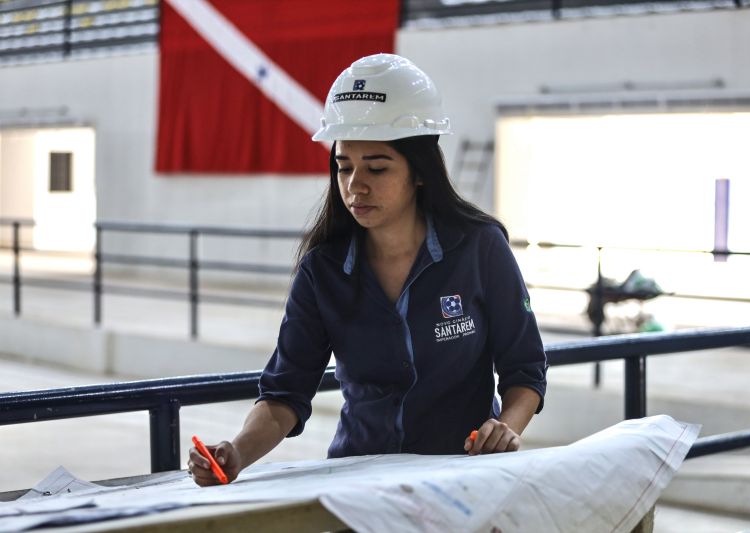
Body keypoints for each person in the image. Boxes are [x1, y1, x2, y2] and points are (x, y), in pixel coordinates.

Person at [188, 53, 548, 486]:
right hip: (359, 480)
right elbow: (285, 393)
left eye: (376, 168)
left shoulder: (479, 248)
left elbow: (525, 367)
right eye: (344, 167)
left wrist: (505, 427)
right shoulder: (322, 272)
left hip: (462, 475)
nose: (355, 185)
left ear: (420, 171)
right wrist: (236, 452)